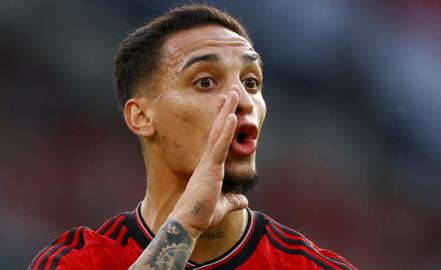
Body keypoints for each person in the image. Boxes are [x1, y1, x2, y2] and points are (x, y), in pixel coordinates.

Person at [29, 4, 357, 270]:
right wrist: (183, 227)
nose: (242, 100)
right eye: (205, 82)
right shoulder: (79, 261)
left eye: (251, 83)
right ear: (141, 116)